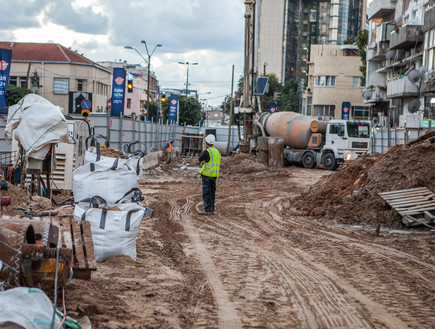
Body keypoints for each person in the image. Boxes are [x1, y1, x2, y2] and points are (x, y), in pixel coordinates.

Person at [198, 134, 221, 215]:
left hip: (207, 175)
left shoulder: (207, 151)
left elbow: (200, 159)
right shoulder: (217, 152)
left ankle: (207, 209)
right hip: (214, 176)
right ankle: (211, 209)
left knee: (206, 192)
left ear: (206, 142)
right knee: (212, 193)